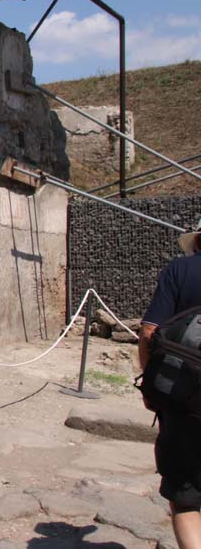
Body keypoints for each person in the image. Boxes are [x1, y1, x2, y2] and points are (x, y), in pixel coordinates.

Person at [140, 218, 201, 548]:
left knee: (185, 497)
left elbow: (149, 331)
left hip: (184, 397)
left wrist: (152, 388)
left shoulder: (180, 271)